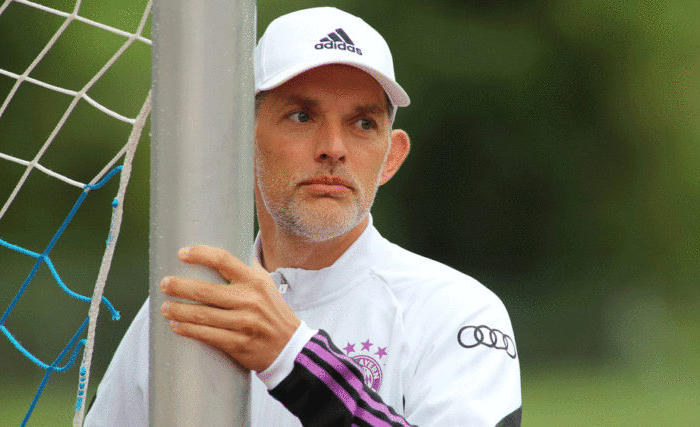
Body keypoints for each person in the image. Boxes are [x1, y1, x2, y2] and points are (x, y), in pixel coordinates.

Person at [85, 7, 521, 427]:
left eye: (363, 124)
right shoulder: (186, 305)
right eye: (302, 116)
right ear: (240, 139)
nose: (334, 147)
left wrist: (291, 358)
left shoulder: (458, 313)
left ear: (391, 157)